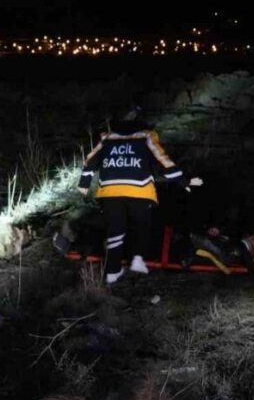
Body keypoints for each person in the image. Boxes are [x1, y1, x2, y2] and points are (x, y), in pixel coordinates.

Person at [78, 108, 201, 286]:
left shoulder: (106, 138)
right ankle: (137, 260)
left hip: (111, 192)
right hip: (140, 190)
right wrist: (184, 182)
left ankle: (112, 271)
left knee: (115, 230)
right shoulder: (147, 136)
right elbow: (163, 161)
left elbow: (90, 161)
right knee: (141, 226)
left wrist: (83, 184)